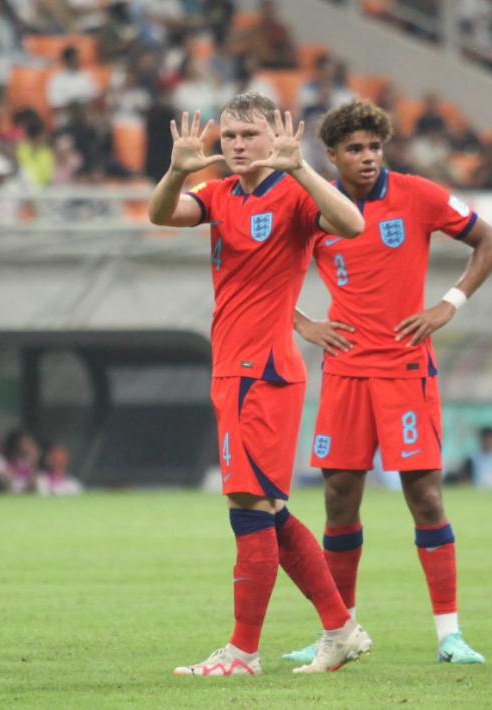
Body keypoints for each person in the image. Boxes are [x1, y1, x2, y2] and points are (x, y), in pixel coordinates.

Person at [148, 92, 369, 676]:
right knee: (267, 509)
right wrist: (175, 170)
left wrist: (303, 169)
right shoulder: (218, 195)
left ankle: (243, 652)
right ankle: (340, 628)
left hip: (263, 374)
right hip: (232, 369)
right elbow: (159, 215)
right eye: (230, 137)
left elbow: (352, 221)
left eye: (250, 135)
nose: (238, 146)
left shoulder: (295, 194)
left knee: (248, 506)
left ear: (275, 137)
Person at [288, 99, 492, 666]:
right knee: (339, 499)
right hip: (345, 372)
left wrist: (448, 304)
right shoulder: (312, 205)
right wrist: (303, 322)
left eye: (374, 147)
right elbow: (258, 268)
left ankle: (450, 635)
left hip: (407, 370)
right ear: (331, 156)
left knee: (425, 495)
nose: (367, 158)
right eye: (354, 149)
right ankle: (340, 633)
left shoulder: (418, 194)